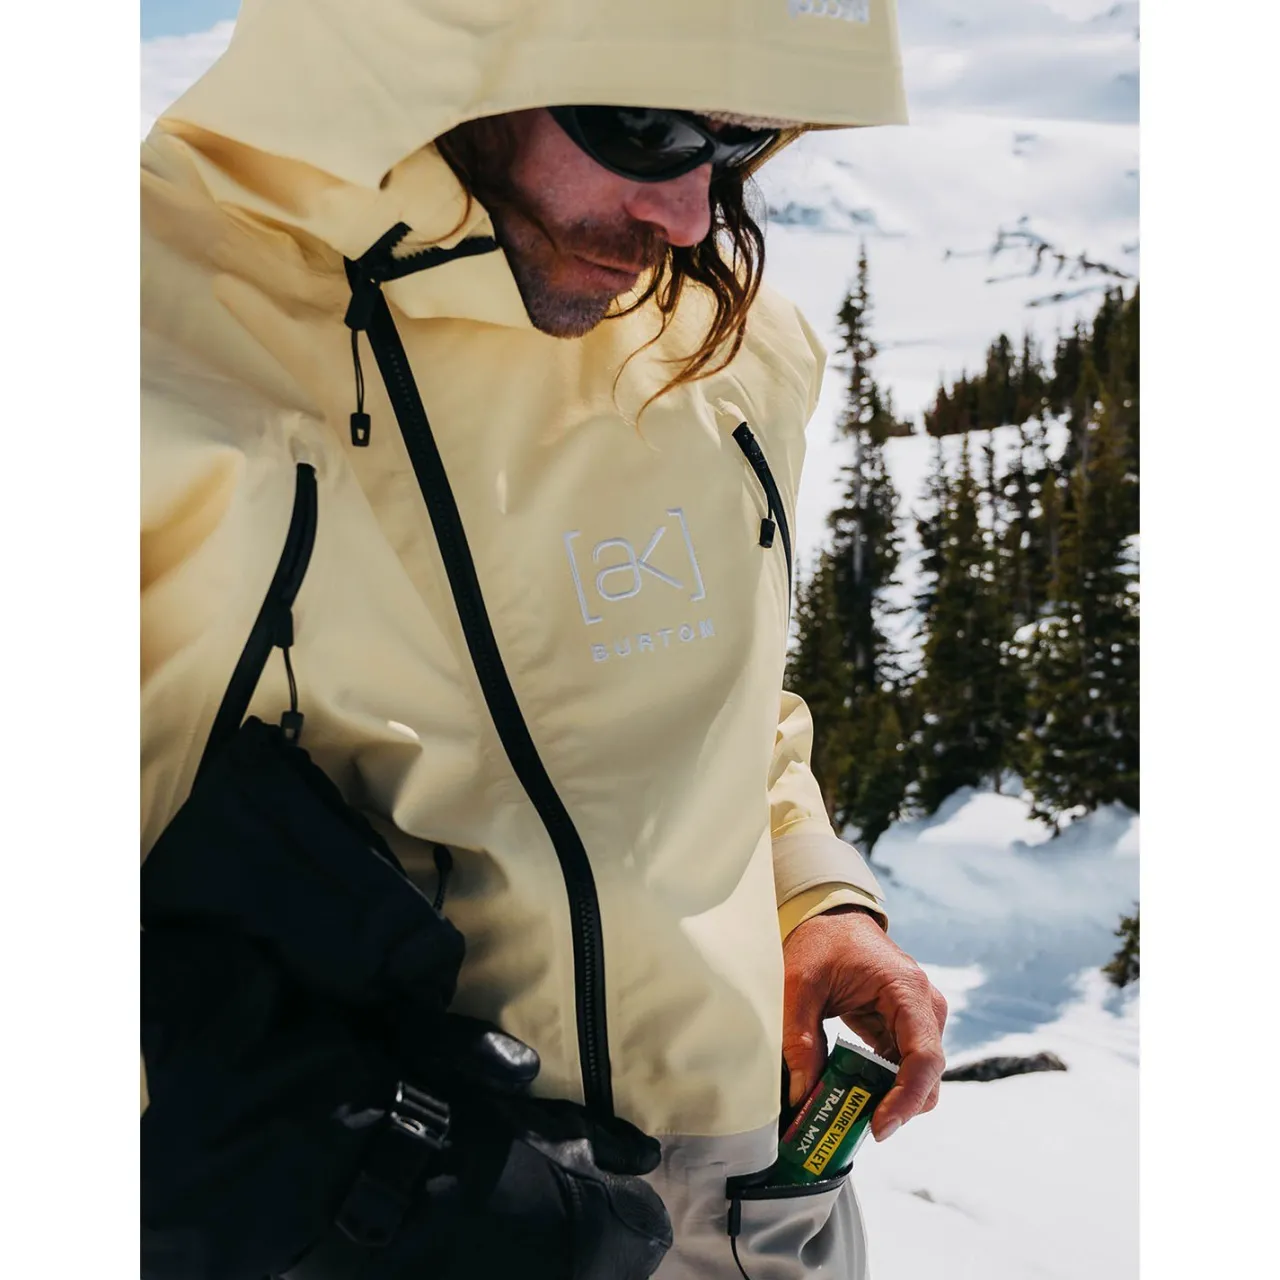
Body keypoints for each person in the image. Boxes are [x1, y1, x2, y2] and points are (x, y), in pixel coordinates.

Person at [140, 1, 948, 1277]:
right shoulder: (143, 338)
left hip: (756, 1198)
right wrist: (278, 1160)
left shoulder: (728, 352)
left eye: (734, 142)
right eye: (644, 125)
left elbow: (731, 705)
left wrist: (812, 898)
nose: (689, 215)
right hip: (389, 1208)